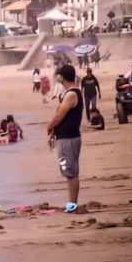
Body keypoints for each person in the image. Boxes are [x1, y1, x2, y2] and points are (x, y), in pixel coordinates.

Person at [47, 64, 83, 210]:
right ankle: (72, 203)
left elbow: (59, 116)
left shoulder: (71, 94)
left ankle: (72, 204)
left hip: (67, 139)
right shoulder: (72, 93)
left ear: (62, 77)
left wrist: (49, 127)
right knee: (70, 172)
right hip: (67, 138)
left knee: (70, 173)